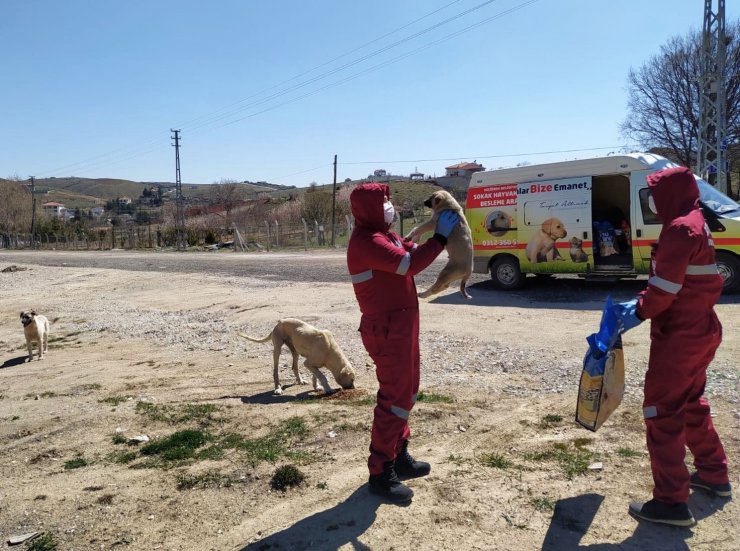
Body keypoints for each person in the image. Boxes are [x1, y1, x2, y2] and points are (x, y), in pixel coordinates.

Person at [613, 166, 731, 528]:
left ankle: (671, 502)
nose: (651, 201)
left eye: (653, 194)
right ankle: (714, 474)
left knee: (661, 412)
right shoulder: (697, 221)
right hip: (701, 329)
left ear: (669, 195)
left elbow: (663, 291)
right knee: (691, 403)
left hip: (679, 336)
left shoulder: (680, 228)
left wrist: (638, 310)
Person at [346, 182, 460, 504]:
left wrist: (428, 239)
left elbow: (408, 251)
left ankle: (398, 456)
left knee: (407, 393)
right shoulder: (366, 242)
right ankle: (380, 472)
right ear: (370, 208)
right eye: (383, 201)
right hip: (386, 330)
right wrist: (439, 238)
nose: (388, 205)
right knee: (394, 399)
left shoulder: (385, 236)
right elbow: (410, 265)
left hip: (401, 326)